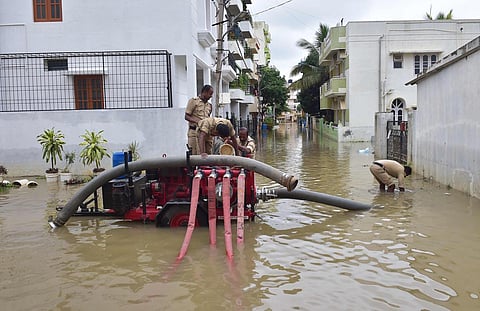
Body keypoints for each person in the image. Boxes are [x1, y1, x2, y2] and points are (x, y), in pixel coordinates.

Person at [184, 85, 213, 154]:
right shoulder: (194, 101)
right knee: (195, 155)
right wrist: (199, 122)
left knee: (207, 154)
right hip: (194, 132)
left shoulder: (209, 105)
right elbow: (186, 116)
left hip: (205, 132)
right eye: (210, 93)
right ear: (204, 92)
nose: (211, 96)